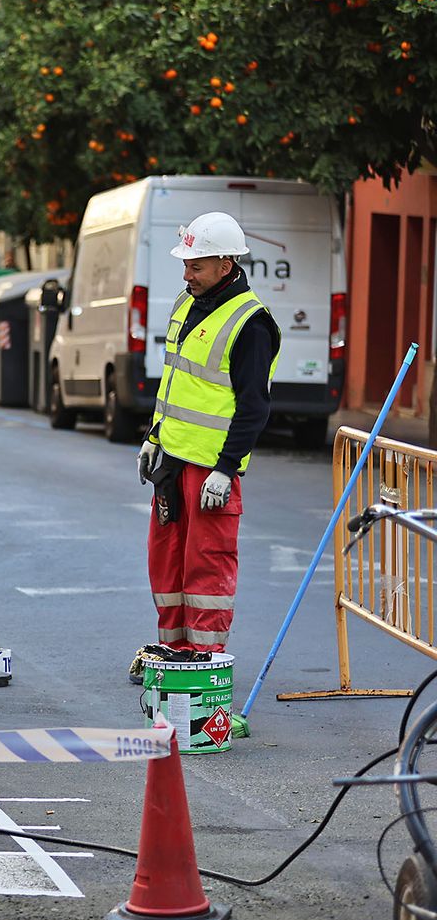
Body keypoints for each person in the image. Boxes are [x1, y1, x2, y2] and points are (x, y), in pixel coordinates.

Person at [133, 211, 280, 680]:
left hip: (211, 469)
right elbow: (176, 382)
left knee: (206, 566)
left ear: (225, 263)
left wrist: (226, 467)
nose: (187, 273)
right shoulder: (187, 302)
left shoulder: (251, 323)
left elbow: (253, 406)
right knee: (167, 560)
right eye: (186, 264)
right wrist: (154, 437)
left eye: (196, 265)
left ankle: (204, 660)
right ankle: (171, 650)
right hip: (173, 462)